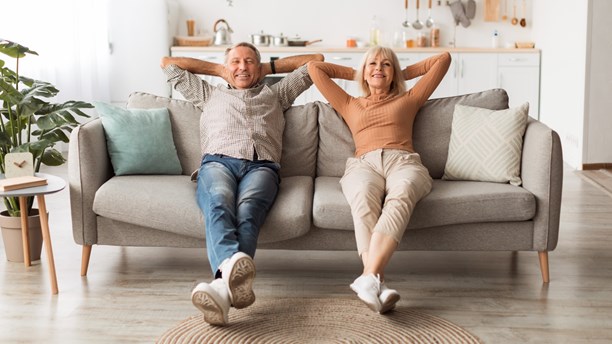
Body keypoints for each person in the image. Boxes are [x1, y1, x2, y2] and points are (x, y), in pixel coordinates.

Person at [161, 42, 323, 325]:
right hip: (217, 164)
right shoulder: (208, 94)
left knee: (249, 211)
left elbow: (315, 61)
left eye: (249, 61)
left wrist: (268, 67)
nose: (242, 67)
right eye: (235, 62)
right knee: (219, 201)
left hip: (262, 167)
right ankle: (227, 282)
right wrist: (219, 69)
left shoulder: (276, 94)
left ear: (258, 68)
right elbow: (167, 63)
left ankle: (221, 289)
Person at [308, 47, 451, 313]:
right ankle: (375, 281)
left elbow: (443, 59)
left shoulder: (410, 98)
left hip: (403, 162)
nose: (378, 68)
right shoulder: (350, 103)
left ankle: (368, 277)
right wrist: (358, 72)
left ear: (393, 72)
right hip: (364, 164)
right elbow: (315, 69)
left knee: (405, 190)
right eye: (372, 64)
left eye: (386, 65)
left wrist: (402, 72)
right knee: (362, 197)